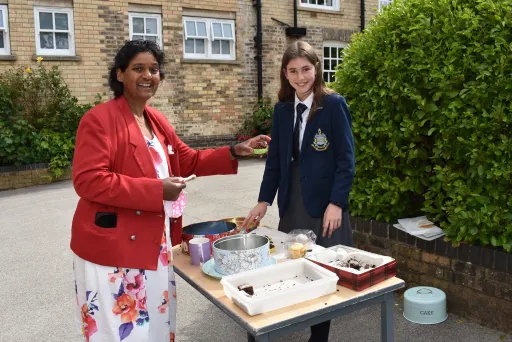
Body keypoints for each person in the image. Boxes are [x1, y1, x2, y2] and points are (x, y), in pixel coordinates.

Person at [70, 40, 270, 342]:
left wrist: (233, 150)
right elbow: (89, 180)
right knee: (123, 333)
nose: (148, 75)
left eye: (154, 69)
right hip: (113, 251)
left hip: (154, 241)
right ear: (120, 74)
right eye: (138, 68)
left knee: (157, 326)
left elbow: (186, 160)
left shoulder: (156, 119)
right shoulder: (99, 119)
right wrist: (156, 190)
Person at [242, 40, 355, 342]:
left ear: (317, 68)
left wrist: (337, 203)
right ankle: (280, 322)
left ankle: (319, 337)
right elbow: (276, 163)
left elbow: (346, 160)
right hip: (291, 200)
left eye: (306, 69)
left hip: (324, 201)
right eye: (293, 71)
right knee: (291, 264)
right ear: (285, 74)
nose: (301, 77)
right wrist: (264, 200)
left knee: (322, 269)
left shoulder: (333, 105)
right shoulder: (281, 109)